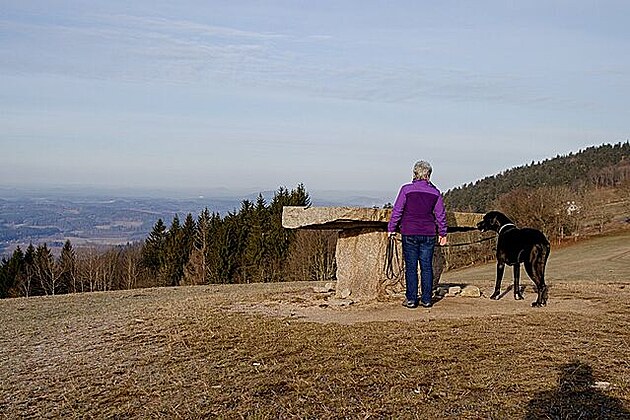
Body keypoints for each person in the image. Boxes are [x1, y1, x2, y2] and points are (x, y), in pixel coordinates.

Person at [387, 160, 448, 308]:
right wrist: (443, 233)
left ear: (414, 174)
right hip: (428, 233)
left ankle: (411, 299)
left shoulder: (406, 190)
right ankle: (427, 299)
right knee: (426, 266)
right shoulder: (435, 192)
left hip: (409, 231)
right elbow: (440, 215)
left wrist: (391, 228)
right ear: (429, 175)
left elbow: (398, 211)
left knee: (411, 267)